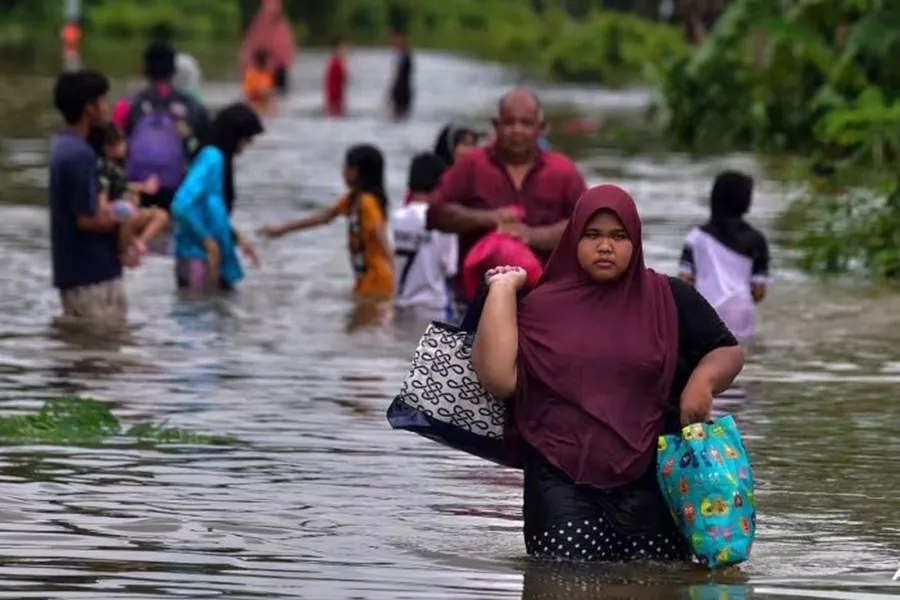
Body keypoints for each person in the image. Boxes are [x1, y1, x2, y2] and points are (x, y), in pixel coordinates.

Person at [470, 184, 744, 562]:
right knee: (561, 582)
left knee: (653, 584)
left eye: (618, 236)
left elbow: (727, 350)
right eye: (592, 235)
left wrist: (703, 382)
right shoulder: (536, 307)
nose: (605, 247)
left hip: (653, 483)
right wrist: (502, 288)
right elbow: (499, 378)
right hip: (559, 481)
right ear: (573, 239)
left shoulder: (670, 298)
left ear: (635, 241)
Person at [427, 88, 587, 309]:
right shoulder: (471, 165)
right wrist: (490, 218)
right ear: (496, 125)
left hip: (544, 304)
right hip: (472, 304)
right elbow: (434, 214)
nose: (517, 130)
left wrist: (531, 235)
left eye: (525, 123)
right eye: (509, 122)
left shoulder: (564, 171)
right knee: (434, 343)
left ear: (540, 129)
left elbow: (585, 226)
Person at [258, 144, 395, 300]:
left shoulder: (366, 202)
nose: (342, 172)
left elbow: (380, 234)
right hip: (364, 279)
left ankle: (428, 325)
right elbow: (324, 217)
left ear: (355, 171)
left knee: (365, 322)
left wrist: (398, 271)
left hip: (377, 281)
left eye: (345, 167)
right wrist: (281, 230)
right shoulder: (351, 200)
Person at [49, 69, 127, 324]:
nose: (107, 107)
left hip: (77, 271)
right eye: (103, 101)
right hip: (91, 274)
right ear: (89, 108)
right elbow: (86, 219)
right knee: (101, 351)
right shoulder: (79, 155)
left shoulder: (64, 145)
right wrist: (125, 221)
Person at [170, 103, 263, 294]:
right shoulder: (213, 158)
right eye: (247, 139)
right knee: (200, 317)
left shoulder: (217, 160)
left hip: (206, 257)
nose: (247, 145)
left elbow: (209, 210)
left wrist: (235, 236)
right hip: (197, 257)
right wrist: (207, 241)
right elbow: (181, 205)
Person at [678, 171, 770, 344]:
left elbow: (684, 281)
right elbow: (759, 291)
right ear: (746, 202)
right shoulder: (757, 240)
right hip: (740, 311)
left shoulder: (696, 237)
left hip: (704, 309)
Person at [125, 41, 210, 213]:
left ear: (145, 68)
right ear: (174, 69)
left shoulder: (131, 105)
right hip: (178, 186)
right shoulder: (194, 107)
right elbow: (205, 151)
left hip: (138, 187)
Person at [88, 122, 170, 267]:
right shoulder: (103, 169)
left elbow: (123, 186)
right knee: (128, 211)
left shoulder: (117, 167)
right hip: (117, 214)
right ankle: (125, 251)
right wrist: (124, 204)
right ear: (108, 148)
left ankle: (139, 244)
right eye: (121, 143)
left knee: (161, 216)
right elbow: (102, 202)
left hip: (128, 209)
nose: (125, 145)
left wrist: (143, 187)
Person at [392, 153, 457, 321]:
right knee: (437, 349)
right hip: (433, 309)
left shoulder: (395, 219)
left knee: (400, 347)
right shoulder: (443, 223)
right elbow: (450, 269)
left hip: (399, 305)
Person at [388, 25, 414, 120]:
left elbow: (402, 77)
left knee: (398, 119)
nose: (391, 42)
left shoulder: (405, 55)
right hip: (402, 92)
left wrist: (393, 93)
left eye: (393, 38)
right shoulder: (404, 54)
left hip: (402, 93)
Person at [324, 38, 348, 117]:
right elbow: (344, 78)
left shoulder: (336, 62)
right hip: (335, 95)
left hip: (337, 95)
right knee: (336, 114)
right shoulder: (336, 63)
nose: (345, 51)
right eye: (342, 49)